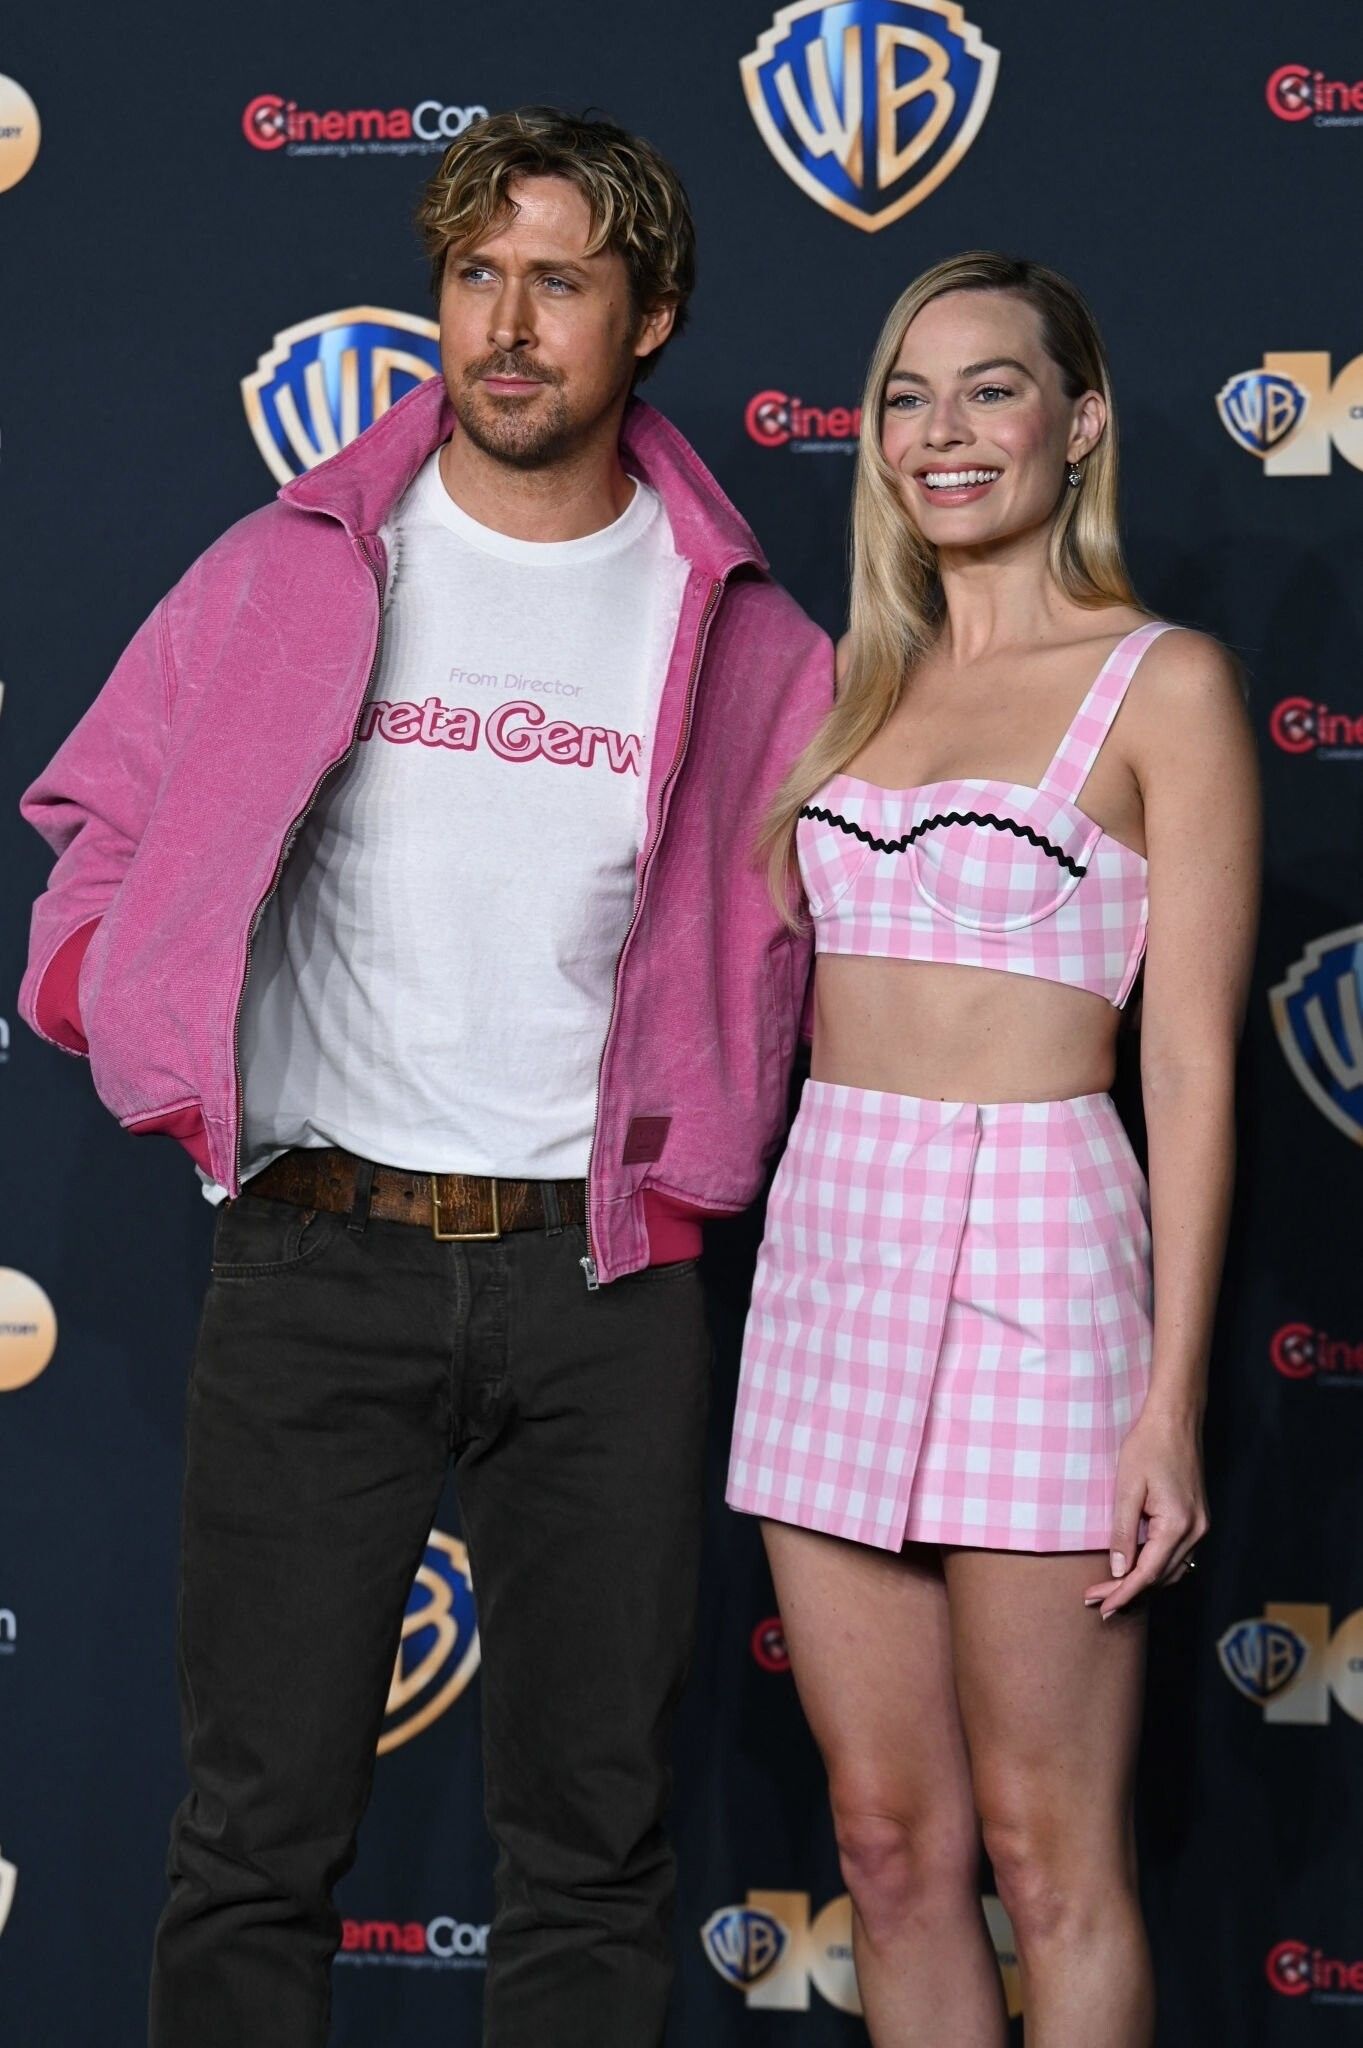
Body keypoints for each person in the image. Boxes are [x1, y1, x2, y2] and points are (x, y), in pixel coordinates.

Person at [19, 107, 830, 2048]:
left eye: (560, 283)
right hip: (316, 1260)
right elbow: (97, 829)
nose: (506, 327)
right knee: (252, 1839)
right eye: (475, 276)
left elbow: (802, 946)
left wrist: (711, 1145)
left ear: (650, 317)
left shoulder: (749, 636)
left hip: (606, 1283)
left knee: (591, 1851)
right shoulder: (290, 567)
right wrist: (133, 1007)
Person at [727, 251, 1259, 2044]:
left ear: (1079, 422)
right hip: (830, 1244)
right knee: (886, 1845)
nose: (942, 431)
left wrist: (1170, 1400)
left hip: (1044, 1242)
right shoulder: (840, 690)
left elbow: (1190, 1065)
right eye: (907, 395)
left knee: (1051, 1858)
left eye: (992, 387)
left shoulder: (1165, 684)